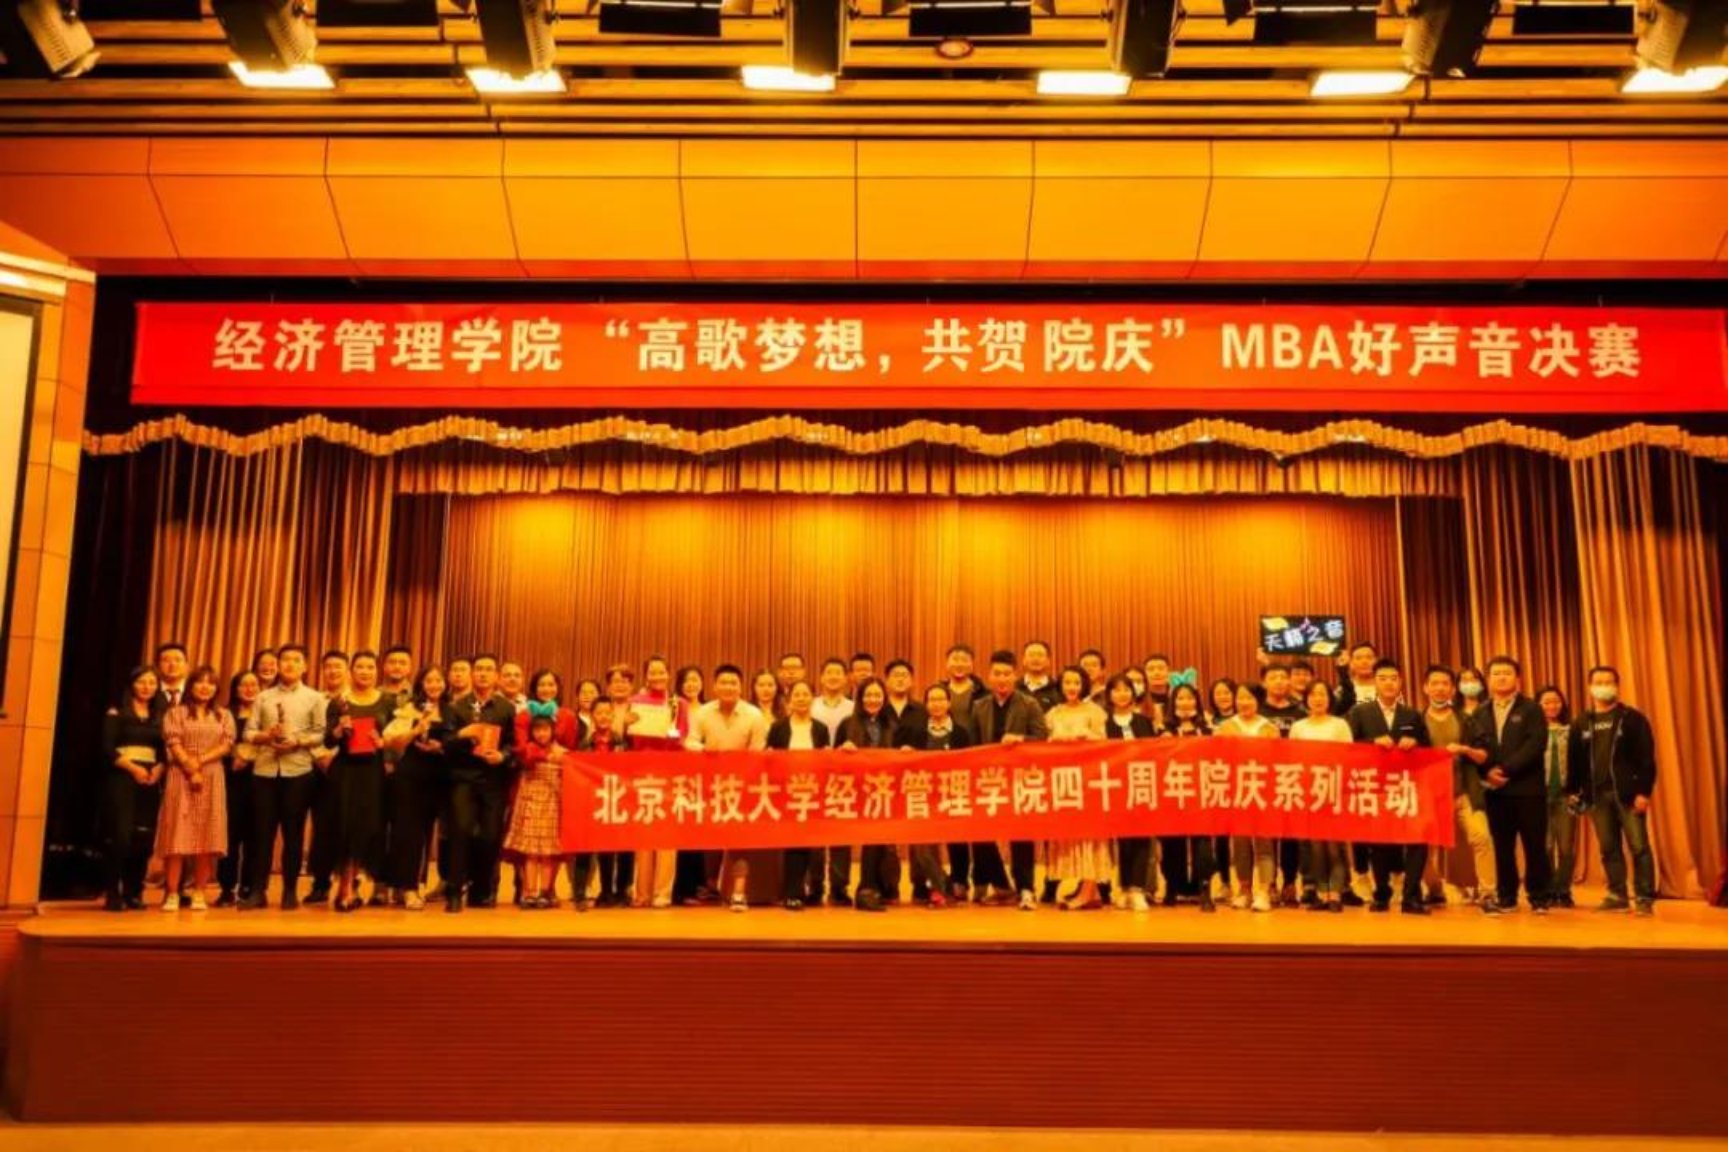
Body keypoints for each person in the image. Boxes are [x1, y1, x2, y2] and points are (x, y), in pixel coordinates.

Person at [1455, 655, 1550, 916]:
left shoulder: (1531, 709)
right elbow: (1477, 748)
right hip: (1495, 791)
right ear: (1488, 679)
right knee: (1502, 847)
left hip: (1528, 789)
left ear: (1517, 678)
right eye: (1496, 673)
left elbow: (1535, 745)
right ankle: (1507, 895)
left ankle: (1539, 896)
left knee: (1534, 845)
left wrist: (1505, 769)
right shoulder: (1480, 712)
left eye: (1507, 673)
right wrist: (1488, 771)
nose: (1501, 677)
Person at [1566, 666, 1658, 916]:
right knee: (1608, 848)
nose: (1603, 686)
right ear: (1590, 687)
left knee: (1639, 846)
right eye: (1598, 682)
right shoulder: (1581, 722)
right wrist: (1572, 790)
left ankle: (1644, 898)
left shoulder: (1633, 718)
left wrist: (1643, 792)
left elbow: (1647, 759)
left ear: (1617, 686)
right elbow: (1574, 760)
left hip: (1628, 795)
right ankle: (1617, 895)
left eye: (1609, 682)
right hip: (1596, 796)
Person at [241, 644, 326, 911]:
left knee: (293, 833)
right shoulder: (263, 697)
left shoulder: (315, 698)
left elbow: (321, 733)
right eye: (285, 660)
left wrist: (297, 741)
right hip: (264, 771)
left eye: (296, 660)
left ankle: (290, 891)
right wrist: (266, 736)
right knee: (262, 834)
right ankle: (258, 891)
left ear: (305, 666)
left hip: (298, 771)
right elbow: (248, 732)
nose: (289, 664)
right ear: (278, 665)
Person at [1346, 658, 1432, 915]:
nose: (1388, 683)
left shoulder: (1412, 714)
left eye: (1393, 678)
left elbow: (1428, 749)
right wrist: (1372, 742)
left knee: (1418, 840)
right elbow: (1348, 747)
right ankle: (1381, 893)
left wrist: (1415, 744)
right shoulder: (1360, 712)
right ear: (1374, 683)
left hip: (1408, 787)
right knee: (1380, 842)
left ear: (1400, 682)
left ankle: (1411, 896)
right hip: (1375, 787)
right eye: (1383, 678)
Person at [970, 649, 1049, 911]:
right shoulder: (979, 706)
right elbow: (973, 745)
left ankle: (1026, 888)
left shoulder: (1029, 704)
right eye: (997, 674)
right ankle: (1001, 884)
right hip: (988, 779)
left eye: (1007, 674)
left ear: (1015, 676)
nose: (1002, 679)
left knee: (1021, 834)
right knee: (980, 831)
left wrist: (1020, 740)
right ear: (989, 676)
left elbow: (1042, 739)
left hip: (1020, 779)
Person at [688, 664, 770, 911]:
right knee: (711, 839)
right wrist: (703, 749)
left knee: (739, 839)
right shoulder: (703, 713)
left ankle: (738, 892)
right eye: (723, 682)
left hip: (743, 785)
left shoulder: (754, 715)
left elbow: (759, 750)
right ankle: (712, 886)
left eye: (733, 683)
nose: (728, 687)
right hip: (710, 785)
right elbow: (689, 741)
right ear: (714, 686)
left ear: (741, 687)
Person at [324, 651, 402, 912]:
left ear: (376, 671)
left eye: (370, 667)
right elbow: (328, 740)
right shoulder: (339, 702)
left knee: (366, 828)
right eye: (360, 667)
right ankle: (345, 887)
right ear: (351, 671)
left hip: (374, 773)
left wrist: (383, 743)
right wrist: (338, 730)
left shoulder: (388, 702)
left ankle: (353, 883)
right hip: (345, 771)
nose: (365, 671)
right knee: (344, 827)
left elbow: (397, 737)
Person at [443, 653, 517, 912]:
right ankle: (454, 891)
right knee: (460, 832)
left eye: (489, 670)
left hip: (493, 781)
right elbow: (446, 743)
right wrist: (463, 735)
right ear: (472, 674)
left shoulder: (506, 708)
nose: (483, 674)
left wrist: (503, 756)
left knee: (490, 836)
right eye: (479, 669)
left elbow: (513, 744)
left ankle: (480, 890)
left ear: (496, 676)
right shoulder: (456, 707)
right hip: (463, 778)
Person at [158, 666, 233, 912]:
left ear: (216, 689)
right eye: (200, 682)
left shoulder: (223, 715)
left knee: (206, 838)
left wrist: (199, 762)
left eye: (210, 683)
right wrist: (190, 767)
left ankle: (199, 891)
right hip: (180, 775)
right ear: (190, 686)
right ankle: (172, 892)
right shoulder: (175, 713)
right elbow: (173, 740)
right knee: (176, 836)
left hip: (212, 776)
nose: (205, 687)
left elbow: (227, 744)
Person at [1421, 665, 1495, 906]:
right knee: (1420, 847)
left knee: (1482, 838)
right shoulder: (1416, 721)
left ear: (1453, 689)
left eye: (1445, 683)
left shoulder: (1466, 719)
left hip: (1464, 792)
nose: (1440, 688)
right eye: (1435, 683)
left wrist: (1465, 750)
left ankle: (1488, 893)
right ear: (1425, 688)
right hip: (1429, 795)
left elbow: (1483, 756)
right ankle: (1434, 889)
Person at [627, 656, 695, 909]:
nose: (657, 676)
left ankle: (662, 893)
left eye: (661, 672)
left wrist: (671, 732)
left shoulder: (678, 704)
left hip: (669, 773)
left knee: (667, 837)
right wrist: (626, 725)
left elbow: (683, 736)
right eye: (652, 672)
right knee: (643, 836)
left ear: (668, 674)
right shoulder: (635, 702)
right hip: (641, 773)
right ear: (646, 676)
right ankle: (642, 893)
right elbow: (627, 739)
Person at [897, 681, 969, 909]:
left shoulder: (961, 733)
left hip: (953, 795)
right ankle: (939, 885)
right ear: (926, 704)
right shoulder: (916, 732)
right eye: (932, 700)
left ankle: (953, 883)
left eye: (941, 699)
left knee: (957, 842)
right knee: (921, 842)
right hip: (923, 796)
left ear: (949, 703)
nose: (937, 704)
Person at [1046, 667, 1111, 911]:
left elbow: (1105, 743)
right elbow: (1044, 745)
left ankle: (1088, 890)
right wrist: (1054, 742)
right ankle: (1090, 891)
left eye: (1076, 682)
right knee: (1073, 835)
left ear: (1083, 685)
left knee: (1091, 834)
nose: (1071, 687)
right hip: (1064, 782)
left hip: (1089, 779)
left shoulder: (1094, 711)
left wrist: (1088, 738)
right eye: (1067, 682)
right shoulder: (1053, 713)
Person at [101, 666, 164, 911]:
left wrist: (159, 769)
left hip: (150, 779)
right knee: (121, 836)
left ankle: (133, 891)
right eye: (142, 682)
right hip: (123, 777)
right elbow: (107, 748)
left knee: (143, 838)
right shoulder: (116, 711)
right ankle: (112, 891)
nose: (147, 687)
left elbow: (165, 750)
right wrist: (133, 768)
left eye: (152, 683)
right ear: (132, 685)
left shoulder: (160, 715)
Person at [390, 664, 452, 911]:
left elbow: (458, 744)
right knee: (410, 833)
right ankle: (408, 888)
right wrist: (416, 729)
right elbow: (394, 743)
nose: (434, 685)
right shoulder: (409, 708)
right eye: (429, 681)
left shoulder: (452, 710)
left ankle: (421, 884)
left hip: (440, 777)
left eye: (438, 680)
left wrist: (441, 748)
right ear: (420, 685)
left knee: (429, 834)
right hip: (411, 775)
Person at [767, 679, 832, 911]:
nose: (801, 699)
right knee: (793, 843)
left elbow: (826, 759)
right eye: (797, 695)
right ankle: (792, 893)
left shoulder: (821, 729)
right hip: (786, 792)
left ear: (812, 699)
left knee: (812, 843)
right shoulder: (778, 727)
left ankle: (813, 889)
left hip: (813, 792)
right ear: (789, 700)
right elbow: (770, 757)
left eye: (806, 695)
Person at [837, 676, 899, 912]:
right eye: (868, 695)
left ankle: (878, 888)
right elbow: (832, 756)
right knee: (871, 838)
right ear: (860, 699)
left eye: (877, 695)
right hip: (856, 790)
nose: (873, 700)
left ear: (884, 699)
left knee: (882, 839)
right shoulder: (847, 724)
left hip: (885, 790)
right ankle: (866, 890)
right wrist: (843, 750)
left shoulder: (892, 724)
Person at [1216, 682, 1279, 912]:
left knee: (1264, 844)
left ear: (1258, 701)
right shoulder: (1225, 727)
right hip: (1236, 793)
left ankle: (1264, 891)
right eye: (1240, 698)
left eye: (1249, 698)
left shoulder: (1270, 728)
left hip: (1263, 792)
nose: (1244, 702)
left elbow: (1277, 760)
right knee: (1240, 844)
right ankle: (1244, 890)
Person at [1291, 679, 1352, 912]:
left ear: (1329, 699)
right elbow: (1292, 759)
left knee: (1334, 846)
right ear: (1306, 699)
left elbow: (1349, 756)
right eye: (1313, 695)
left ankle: (1335, 893)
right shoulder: (1298, 727)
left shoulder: (1340, 725)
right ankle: (1320, 892)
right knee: (1315, 846)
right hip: (1309, 792)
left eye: (1322, 694)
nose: (1318, 699)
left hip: (1334, 790)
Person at [1102, 673, 1158, 911]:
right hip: (1115, 787)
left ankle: (1138, 888)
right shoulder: (1104, 722)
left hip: (1142, 783)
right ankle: (1124, 887)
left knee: (1142, 838)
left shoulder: (1143, 721)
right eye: (1116, 690)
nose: (1122, 694)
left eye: (1126, 689)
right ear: (1109, 695)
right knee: (1123, 840)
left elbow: (1154, 751)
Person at [1160, 681, 1217, 912]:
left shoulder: (1208, 729)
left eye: (1190, 698)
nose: (1185, 703)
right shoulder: (1163, 730)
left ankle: (1204, 888)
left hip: (1202, 791)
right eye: (1180, 698)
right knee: (1172, 842)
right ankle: (1173, 886)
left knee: (1202, 842)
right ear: (1173, 703)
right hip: (1172, 790)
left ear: (1197, 702)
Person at [503, 713, 568, 909]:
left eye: (545, 729)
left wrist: (561, 760)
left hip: (552, 804)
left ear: (553, 731)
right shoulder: (527, 749)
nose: (541, 734)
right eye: (537, 730)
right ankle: (530, 892)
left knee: (548, 853)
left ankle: (545, 892)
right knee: (530, 853)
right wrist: (546, 757)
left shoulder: (562, 752)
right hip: (529, 802)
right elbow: (524, 758)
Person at [1258, 663, 1308, 906]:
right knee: (1268, 835)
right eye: (1273, 677)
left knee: (1291, 834)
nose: (1279, 681)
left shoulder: (1301, 711)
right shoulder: (1257, 711)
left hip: (1293, 778)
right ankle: (1269, 884)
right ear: (1264, 682)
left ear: (1289, 682)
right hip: (1263, 779)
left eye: (1283, 677)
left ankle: (1290, 882)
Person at [304, 648, 350, 906]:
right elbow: (306, 730)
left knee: (344, 826)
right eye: (328, 666)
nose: (333, 671)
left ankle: (348, 882)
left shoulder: (353, 699)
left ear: (347, 670)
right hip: (316, 768)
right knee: (321, 827)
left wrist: (334, 756)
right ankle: (320, 882)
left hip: (345, 768)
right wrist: (321, 755)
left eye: (338, 666)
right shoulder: (314, 699)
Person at [808, 657, 855, 905]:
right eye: (829, 672)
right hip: (813, 776)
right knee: (814, 834)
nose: (834, 676)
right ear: (821, 677)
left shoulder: (853, 707)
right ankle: (814, 886)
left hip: (844, 777)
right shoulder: (811, 704)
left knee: (841, 834)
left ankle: (839, 887)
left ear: (846, 678)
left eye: (839, 672)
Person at [578, 698, 632, 909]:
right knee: (603, 847)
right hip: (595, 799)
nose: (603, 717)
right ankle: (605, 891)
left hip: (621, 798)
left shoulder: (623, 742)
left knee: (625, 847)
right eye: (599, 713)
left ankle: (623, 890)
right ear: (592, 716)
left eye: (607, 713)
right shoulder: (585, 744)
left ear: (613, 716)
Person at [216, 669, 261, 908]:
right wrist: (234, 754)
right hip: (229, 780)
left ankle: (248, 886)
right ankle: (226, 888)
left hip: (259, 779)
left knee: (255, 836)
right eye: (244, 685)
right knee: (229, 836)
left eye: (254, 684)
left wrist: (248, 754)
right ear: (235, 689)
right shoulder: (224, 714)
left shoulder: (266, 712)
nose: (249, 689)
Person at [1537, 685, 1577, 908]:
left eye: (1556, 701)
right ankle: (1548, 889)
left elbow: (1579, 763)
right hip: (1539, 796)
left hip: (1565, 796)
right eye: (1546, 702)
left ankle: (1563, 890)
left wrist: (1576, 791)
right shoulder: (1533, 731)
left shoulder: (1571, 731)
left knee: (1566, 847)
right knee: (1544, 847)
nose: (1551, 706)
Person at [1333, 642, 1381, 715]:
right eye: (1358, 658)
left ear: (1376, 661)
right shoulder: (1344, 689)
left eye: (1369, 657)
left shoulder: (1384, 686)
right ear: (1351, 663)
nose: (1364, 662)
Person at [943, 644, 986, 725]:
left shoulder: (982, 692)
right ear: (947, 663)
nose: (959, 664)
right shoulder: (940, 690)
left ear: (972, 664)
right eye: (955, 659)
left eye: (965, 660)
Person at [1018, 640, 1060, 712]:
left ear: (1048, 661)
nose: (1036, 659)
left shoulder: (1057, 688)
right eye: (1031, 655)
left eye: (1040, 655)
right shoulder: (1014, 688)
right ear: (1023, 660)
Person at [154, 642, 190, 710]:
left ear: (186, 665)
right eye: (166, 660)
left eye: (178, 660)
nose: (172, 664)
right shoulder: (151, 690)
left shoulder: (193, 691)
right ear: (157, 665)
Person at [1142, 654, 1174, 729]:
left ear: (1169, 672)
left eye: (1161, 668)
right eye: (1151, 669)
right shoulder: (1140, 698)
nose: (1156, 673)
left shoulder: (1176, 695)